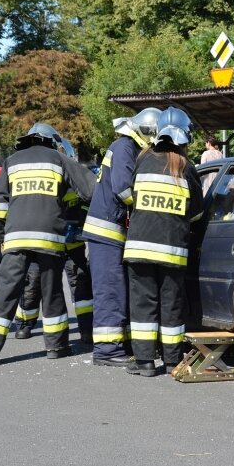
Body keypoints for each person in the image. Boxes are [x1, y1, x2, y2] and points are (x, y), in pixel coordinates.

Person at [0, 123, 96, 366]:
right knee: (52, 292)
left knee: (5, 291)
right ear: (51, 142)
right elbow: (91, 189)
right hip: (49, 238)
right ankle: (57, 346)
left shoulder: (12, 161)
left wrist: (1, 235)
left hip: (16, 238)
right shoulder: (59, 159)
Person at [123, 107, 204, 377]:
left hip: (140, 247)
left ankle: (145, 362)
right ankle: (172, 361)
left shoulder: (143, 159)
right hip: (172, 251)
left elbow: (132, 195)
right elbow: (197, 211)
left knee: (143, 303)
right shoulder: (186, 167)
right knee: (171, 305)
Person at [82, 107, 162, 367]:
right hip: (105, 230)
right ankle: (106, 351)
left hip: (110, 230)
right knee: (110, 291)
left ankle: (120, 345)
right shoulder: (125, 147)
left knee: (118, 289)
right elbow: (123, 189)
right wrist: (146, 209)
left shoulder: (124, 146)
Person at [11, 137, 95, 344]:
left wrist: (79, 224)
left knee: (80, 283)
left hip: (72, 243)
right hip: (45, 243)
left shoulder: (75, 180)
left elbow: (86, 205)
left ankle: (86, 328)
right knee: (33, 282)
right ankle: (25, 323)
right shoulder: (46, 177)